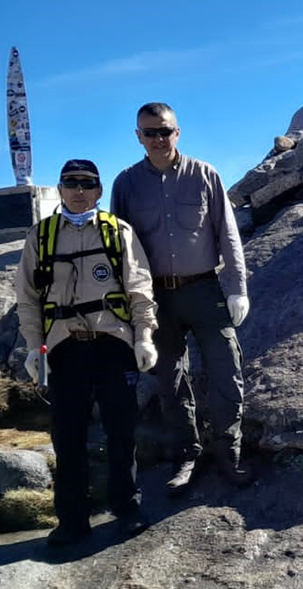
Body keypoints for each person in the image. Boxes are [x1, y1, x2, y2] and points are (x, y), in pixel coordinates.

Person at [16, 159, 158, 546]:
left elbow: (139, 287)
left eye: (87, 184)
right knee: (68, 436)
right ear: (60, 189)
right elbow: (27, 297)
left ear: (98, 191)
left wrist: (144, 336)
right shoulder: (41, 236)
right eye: (71, 183)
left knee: (121, 431)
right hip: (63, 348)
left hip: (113, 345)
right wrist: (33, 348)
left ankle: (126, 508)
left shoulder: (117, 231)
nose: (79, 191)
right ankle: (72, 520)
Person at [111, 102, 251, 493]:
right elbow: (119, 248)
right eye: (150, 132)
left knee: (226, 370)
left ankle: (229, 452)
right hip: (155, 296)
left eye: (165, 130)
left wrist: (237, 288)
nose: (158, 139)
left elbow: (228, 234)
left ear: (177, 132)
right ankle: (186, 456)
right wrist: (127, 306)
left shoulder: (205, 174)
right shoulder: (126, 184)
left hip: (204, 289)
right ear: (138, 136)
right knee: (169, 379)